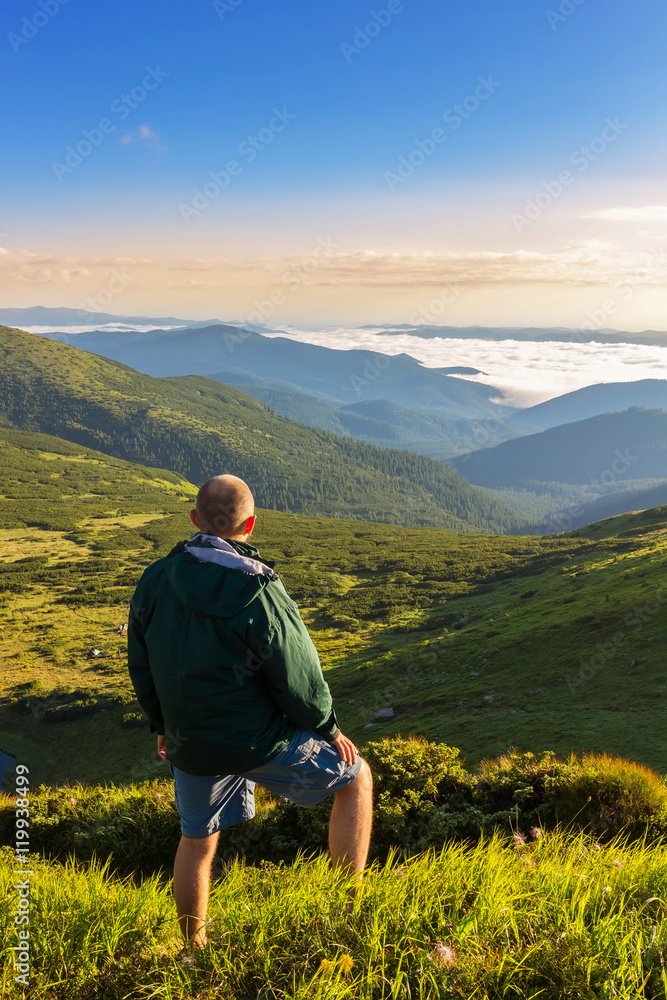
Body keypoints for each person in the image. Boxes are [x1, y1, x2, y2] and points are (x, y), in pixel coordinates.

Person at [127, 474, 373, 951]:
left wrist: (161, 724)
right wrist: (327, 727)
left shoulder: (157, 577)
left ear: (195, 519)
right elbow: (297, 674)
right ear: (251, 524)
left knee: (196, 842)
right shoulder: (259, 589)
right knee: (356, 777)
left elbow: (140, 659)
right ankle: (349, 906)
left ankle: (193, 951)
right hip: (256, 740)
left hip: (190, 742)